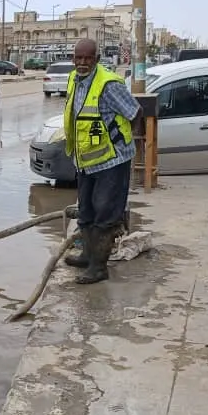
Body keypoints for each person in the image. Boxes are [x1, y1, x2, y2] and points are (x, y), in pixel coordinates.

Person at [62, 38, 140, 284]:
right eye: (79, 58)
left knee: (105, 216)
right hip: (86, 162)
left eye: (88, 58)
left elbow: (136, 114)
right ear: (74, 58)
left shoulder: (109, 85)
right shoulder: (75, 80)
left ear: (96, 59)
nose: (82, 62)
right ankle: (87, 255)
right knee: (85, 213)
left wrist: (122, 146)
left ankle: (98, 268)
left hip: (111, 163)